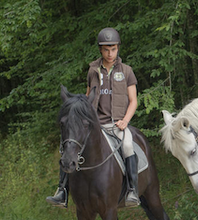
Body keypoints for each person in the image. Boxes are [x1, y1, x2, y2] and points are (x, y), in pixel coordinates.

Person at [46, 27, 140, 208]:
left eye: (113, 49)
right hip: (96, 125)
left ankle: (132, 190)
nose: (110, 53)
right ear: (100, 49)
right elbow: (88, 96)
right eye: (106, 49)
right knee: (70, 145)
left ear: (118, 48)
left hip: (118, 124)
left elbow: (133, 101)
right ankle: (62, 191)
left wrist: (125, 120)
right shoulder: (93, 70)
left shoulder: (127, 71)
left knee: (128, 146)